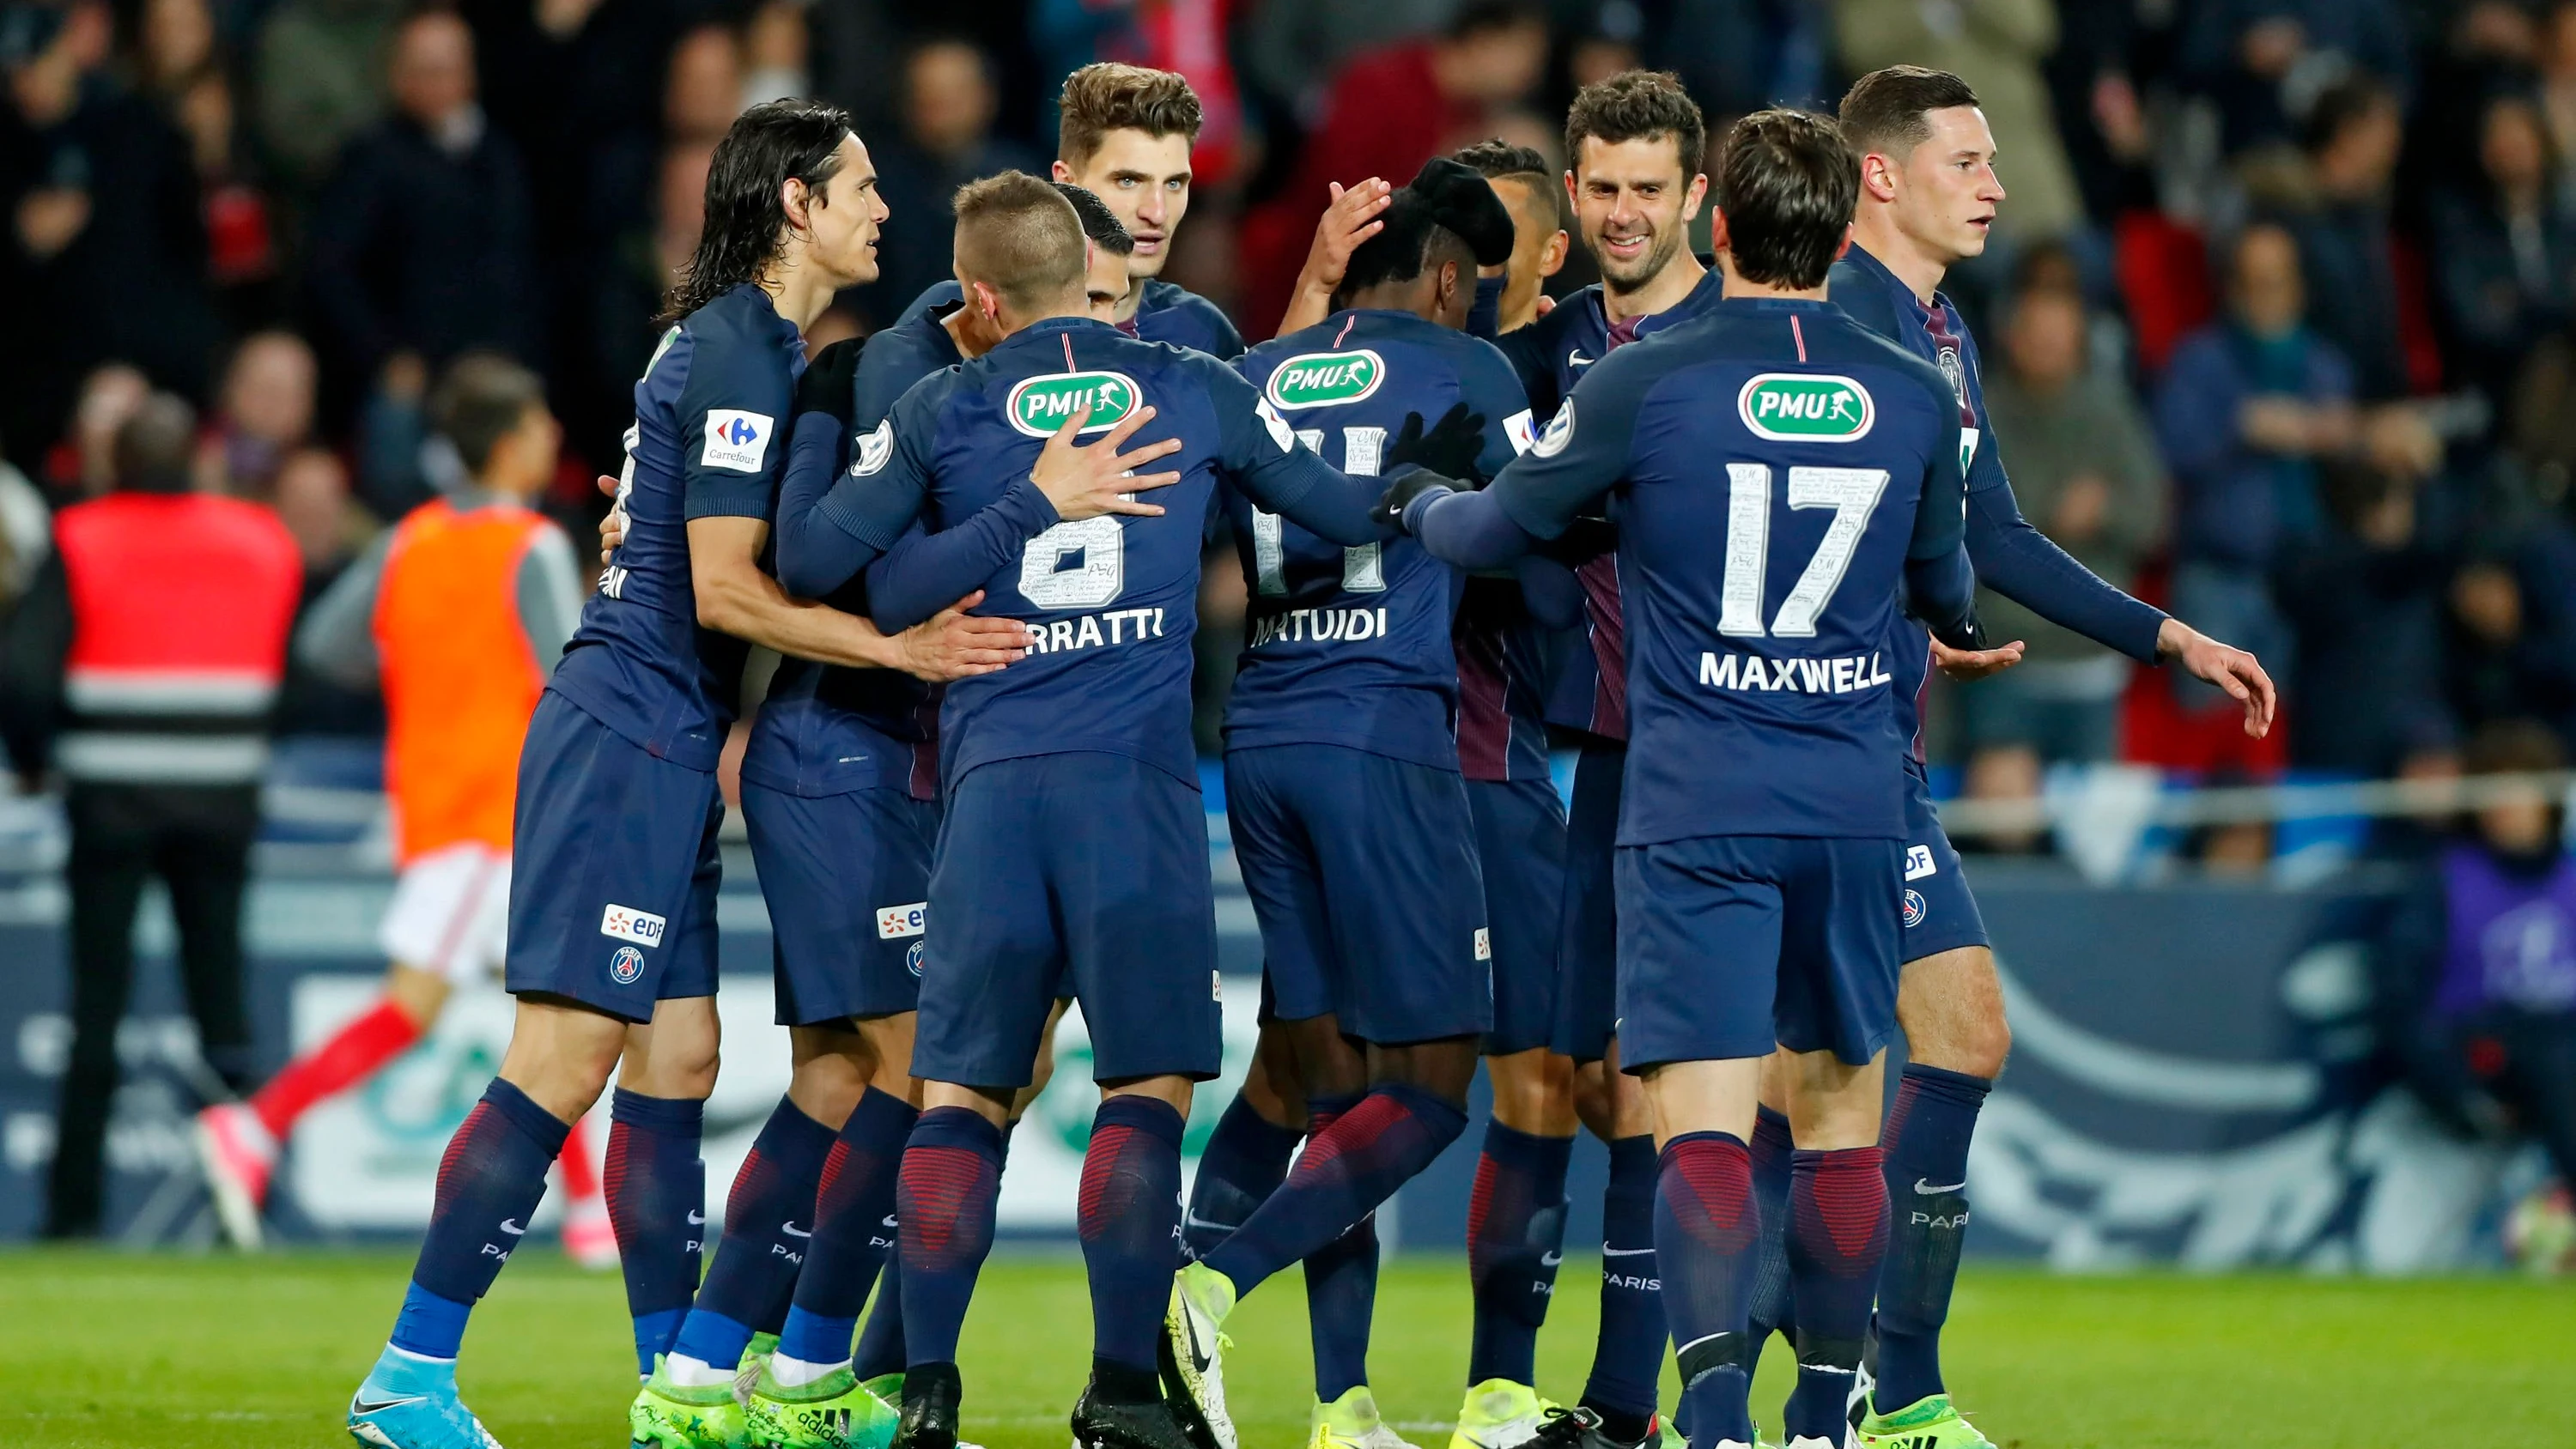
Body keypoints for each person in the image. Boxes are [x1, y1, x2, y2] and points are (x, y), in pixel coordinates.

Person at [339, 100, 1026, 1449]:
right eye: (864, 188)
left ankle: (678, 1389)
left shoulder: (743, 347)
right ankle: (410, 1373)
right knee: (566, 1053)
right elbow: (719, 589)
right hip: (631, 726)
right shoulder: (737, 351)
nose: (882, 210)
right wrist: (902, 643)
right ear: (796, 206)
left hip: (664, 732)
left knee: (682, 1056)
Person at [770, 170, 1394, 1449]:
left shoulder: (949, 398)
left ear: (984, 297)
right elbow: (1338, 514)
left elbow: (835, 573)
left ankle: (924, 1394)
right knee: (1146, 1089)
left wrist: (1012, 509)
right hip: (1135, 792)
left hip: (989, 798)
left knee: (960, 1101)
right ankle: (1119, 1392)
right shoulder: (1195, 382)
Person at [1394, 105, 1984, 1449]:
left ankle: (1712, 1418)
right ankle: (1825, 1420)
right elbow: (1946, 592)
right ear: (1839, 237)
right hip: (1848, 800)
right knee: (1840, 1124)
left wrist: (1417, 501)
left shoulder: (1644, 376)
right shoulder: (1914, 388)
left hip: (1693, 799)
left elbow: (1493, 528)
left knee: (1703, 1128)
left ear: (1717, 225)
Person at [623, 182, 1145, 1449]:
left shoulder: (1043, 379)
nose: (1085, 338)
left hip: (922, 768)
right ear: (1000, 296)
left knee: (846, 1078)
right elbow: (797, 557)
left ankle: (702, 1376)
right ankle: (792, 1374)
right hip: (841, 756)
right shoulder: (870, 377)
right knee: (924, 1071)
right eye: (1081, 302)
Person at [1808, 66, 2275, 1449]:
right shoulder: (1831, 322)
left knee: (1937, 1050)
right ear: (1881, 175)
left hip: (1877, 753)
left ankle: (1881, 1398)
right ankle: (1817, 1397)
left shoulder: (1938, 331)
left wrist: (2163, 634)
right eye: (1968, 159)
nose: (1999, 184)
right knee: (1807, 1095)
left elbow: (1992, 534)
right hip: (1801, 754)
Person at [1199, 158, 1528, 1449]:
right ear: (1449, 274)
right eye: (1481, 290)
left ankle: (1341, 1404)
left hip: (1260, 732)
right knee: (1437, 1080)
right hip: (1384, 735)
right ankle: (1206, 1279)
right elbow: (1534, 542)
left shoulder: (1262, 369)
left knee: (1328, 1078)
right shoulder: (1473, 374)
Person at [190, 355, 606, 1262]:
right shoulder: (527, 542)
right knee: (478, 1007)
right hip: (498, 809)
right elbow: (574, 676)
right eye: (538, 426)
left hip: (436, 798)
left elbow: (326, 643)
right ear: (506, 445)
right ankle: (257, 1123)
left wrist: (428, 667)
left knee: (550, 1012)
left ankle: (588, 1214)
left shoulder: (407, 540)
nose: (551, 440)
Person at [0, 394, 302, 1240]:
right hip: (223, 795)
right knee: (224, 1006)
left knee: (96, 1004)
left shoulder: (80, 534)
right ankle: (242, 1210)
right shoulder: (261, 538)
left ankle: (72, 1216)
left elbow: (23, 675)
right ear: (196, 457)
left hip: (109, 799)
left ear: (116, 463)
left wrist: (33, 758)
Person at [2375, 718, 2576, 1232]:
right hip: (2485, 1051)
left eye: (2521, 790)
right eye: (2494, 791)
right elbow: (2399, 1001)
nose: (2506, 807)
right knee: (2553, 1057)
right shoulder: (2446, 881)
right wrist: (2457, 1093)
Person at [898, 63, 1242, 361]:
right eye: (1127, 181)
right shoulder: (959, 315)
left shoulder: (1201, 330)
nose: (1156, 211)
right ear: (1066, 181)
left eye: (1173, 184)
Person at [1454, 139, 1571, 335]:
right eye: (1458, 232)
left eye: (1496, 233)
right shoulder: (1398, 355)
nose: (1474, 252)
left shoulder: (1585, 361)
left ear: (1552, 254)